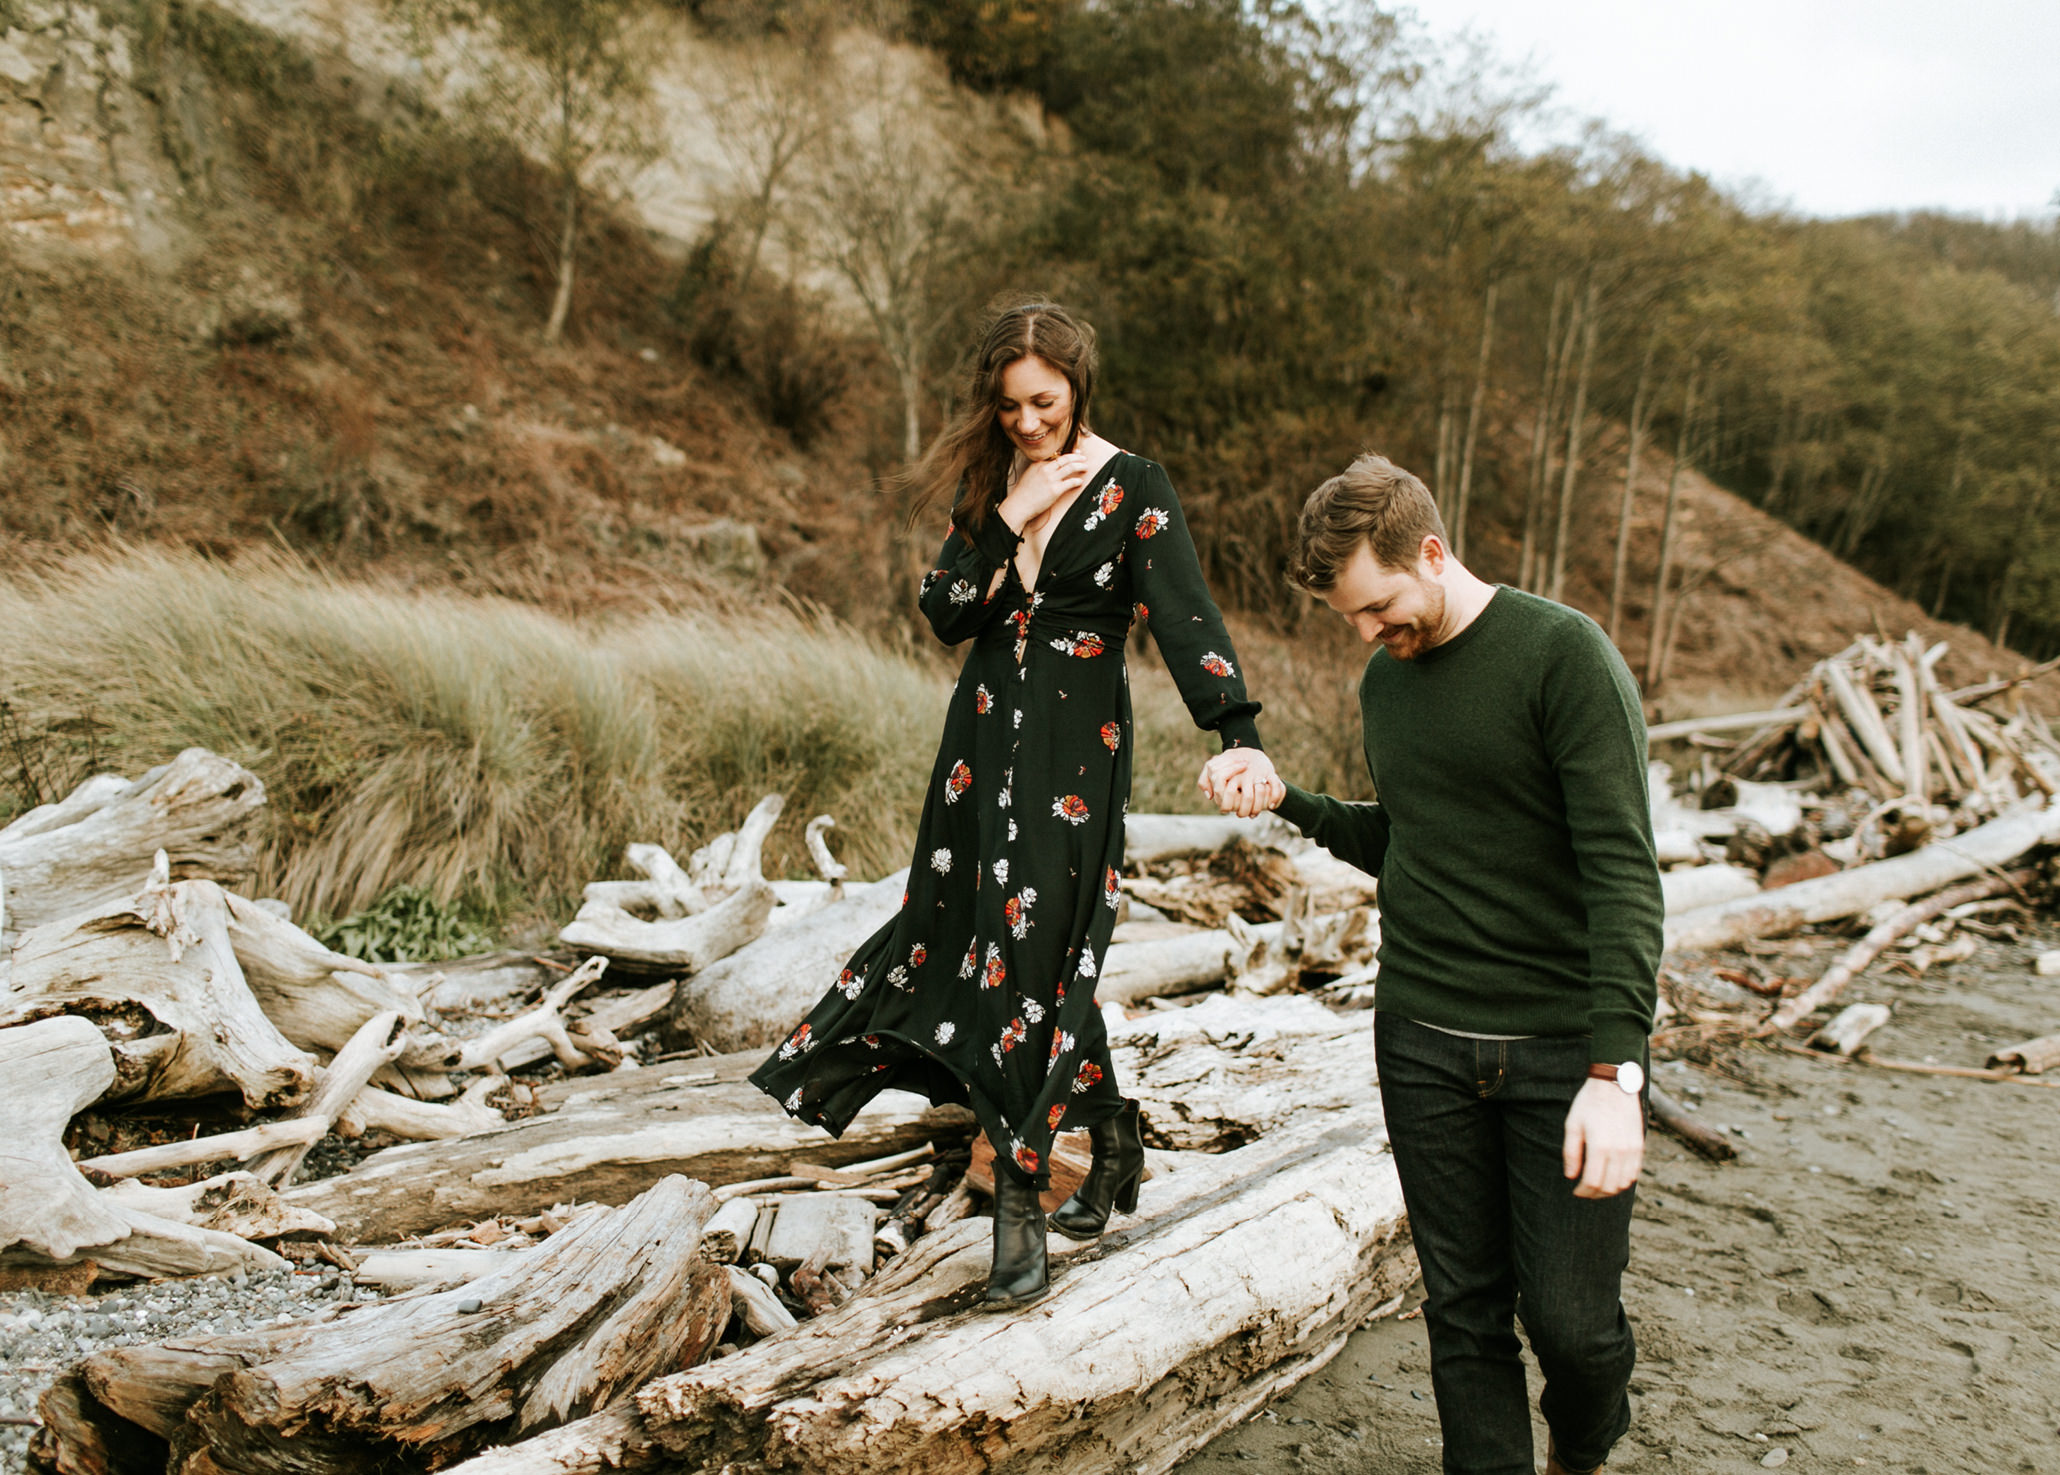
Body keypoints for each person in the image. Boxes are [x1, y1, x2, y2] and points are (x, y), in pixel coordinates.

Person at [750, 299, 1283, 1307]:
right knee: (974, 935)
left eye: (1042, 402)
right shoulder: (992, 480)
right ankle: (1113, 1137)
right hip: (979, 742)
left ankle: (1016, 1206)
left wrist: (1236, 730)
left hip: (1075, 753)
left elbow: (1182, 614)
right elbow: (946, 612)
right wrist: (1008, 511)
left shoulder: (1136, 486)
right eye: (1008, 407)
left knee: (1035, 952)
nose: (1027, 422)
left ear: (1079, 384)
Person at [1204, 453, 1661, 1475]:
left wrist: (1613, 1072)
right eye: (1349, 618)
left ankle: (1582, 1445)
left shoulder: (1562, 656)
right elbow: (1410, 837)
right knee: (1462, 1311)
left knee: (1573, 1328)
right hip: (1420, 1039)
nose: (1368, 633)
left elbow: (1624, 873)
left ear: (1432, 550)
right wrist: (1289, 801)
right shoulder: (1386, 678)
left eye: (1377, 605)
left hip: (1560, 1051)